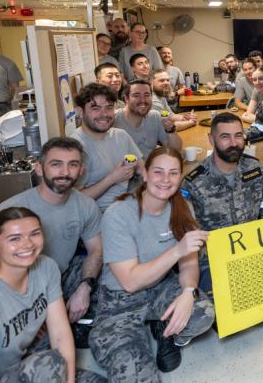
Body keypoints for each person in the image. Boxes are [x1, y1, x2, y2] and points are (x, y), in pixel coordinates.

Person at [90, 148, 214, 379]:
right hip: (121, 300)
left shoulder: (183, 208)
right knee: (137, 376)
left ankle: (164, 328)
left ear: (180, 177)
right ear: (145, 174)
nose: (165, 180)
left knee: (202, 313)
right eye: (158, 172)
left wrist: (188, 292)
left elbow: (188, 264)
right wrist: (177, 250)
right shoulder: (118, 213)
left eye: (173, 173)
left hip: (160, 286)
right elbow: (130, 281)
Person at [0, 207, 104, 383]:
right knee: (49, 364)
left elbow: (60, 334)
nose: (27, 244)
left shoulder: (46, 267)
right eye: (15, 238)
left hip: (16, 366)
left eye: (34, 234)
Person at [0, 137, 103, 347]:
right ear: (39, 168)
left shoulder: (86, 206)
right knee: (37, 348)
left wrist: (84, 289)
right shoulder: (11, 211)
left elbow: (96, 250)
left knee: (112, 272)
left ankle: (78, 320)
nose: (64, 172)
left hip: (58, 278)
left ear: (81, 170)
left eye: (73, 164)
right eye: (56, 164)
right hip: (18, 289)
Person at [181, 112, 263, 296]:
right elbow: (187, 236)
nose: (234, 143)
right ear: (211, 140)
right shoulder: (193, 182)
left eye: (238, 135)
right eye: (225, 137)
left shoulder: (257, 170)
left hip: (253, 254)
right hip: (213, 261)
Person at [70, 83, 142, 211]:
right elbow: (75, 200)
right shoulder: (75, 147)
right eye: (95, 108)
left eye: (109, 107)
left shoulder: (120, 135)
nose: (104, 114)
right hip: (104, 213)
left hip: (132, 202)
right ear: (81, 112)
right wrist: (112, 178)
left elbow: (142, 168)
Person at [115, 79, 182, 158]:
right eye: (136, 95)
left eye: (147, 95)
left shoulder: (155, 116)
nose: (143, 100)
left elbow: (175, 150)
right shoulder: (113, 120)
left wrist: (171, 130)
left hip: (152, 164)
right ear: (126, 98)